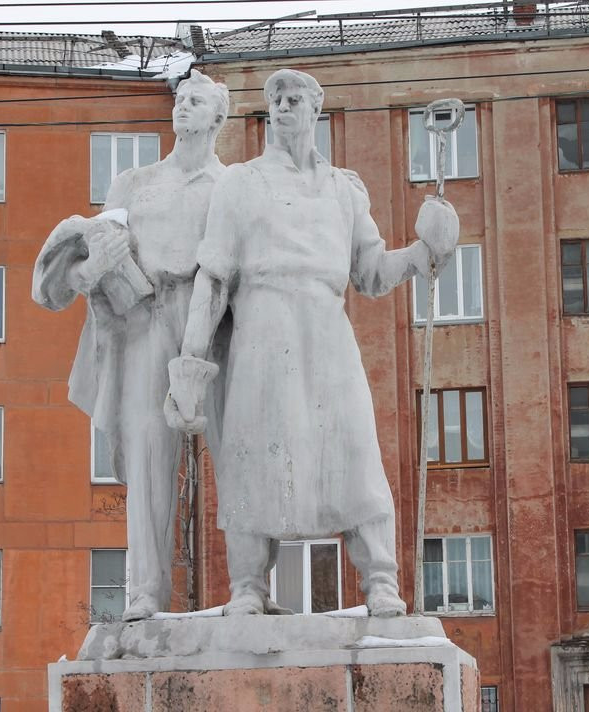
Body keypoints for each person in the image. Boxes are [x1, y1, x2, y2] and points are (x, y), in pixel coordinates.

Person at [164, 68, 459, 617]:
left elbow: (370, 272)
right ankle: (249, 586)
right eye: (275, 99)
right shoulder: (241, 182)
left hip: (326, 327)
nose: (283, 107)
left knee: (353, 449)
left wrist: (425, 254)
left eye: (295, 98)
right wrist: (190, 361)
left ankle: (380, 582)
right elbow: (213, 276)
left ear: (316, 108)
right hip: (261, 326)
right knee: (253, 454)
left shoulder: (343, 188)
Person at [33, 70, 229, 622]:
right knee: (148, 451)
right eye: (179, 100)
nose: (181, 107)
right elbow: (93, 255)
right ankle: (146, 592)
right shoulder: (135, 182)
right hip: (146, 317)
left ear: (218, 116)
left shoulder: (230, 185)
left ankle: (248, 586)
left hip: (213, 318)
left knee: (232, 444)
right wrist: (91, 268)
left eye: (195, 101)